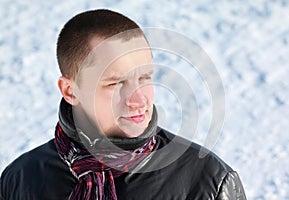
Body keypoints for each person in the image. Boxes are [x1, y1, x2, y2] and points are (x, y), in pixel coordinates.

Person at [0, 9, 246, 200]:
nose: (139, 100)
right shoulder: (21, 179)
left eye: (144, 78)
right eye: (115, 83)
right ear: (70, 91)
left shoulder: (209, 182)